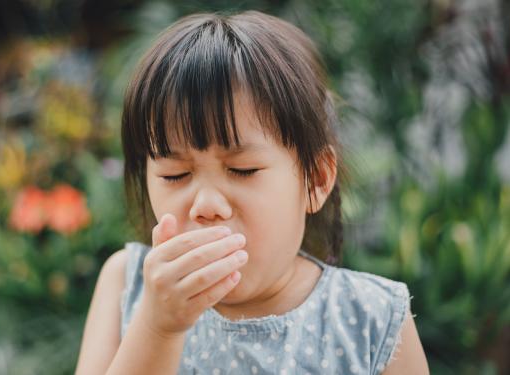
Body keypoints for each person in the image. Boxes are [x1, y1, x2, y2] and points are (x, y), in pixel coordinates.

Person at [75, 10, 429, 375]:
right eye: (175, 174)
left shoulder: (372, 318)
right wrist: (157, 327)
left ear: (316, 180)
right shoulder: (125, 282)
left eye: (242, 170)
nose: (206, 204)